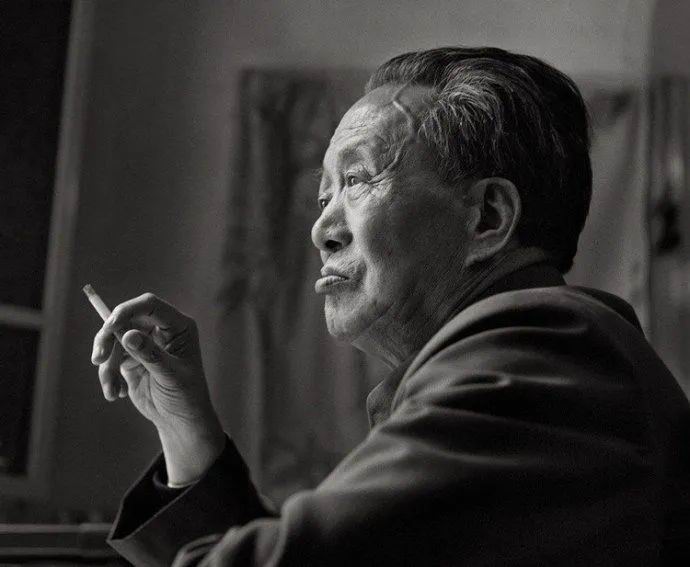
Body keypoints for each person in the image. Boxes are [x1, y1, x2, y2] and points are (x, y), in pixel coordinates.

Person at [91, 47, 690, 566]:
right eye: (323, 197)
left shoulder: (548, 350)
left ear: (488, 218)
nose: (321, 231)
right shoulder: (534, 368)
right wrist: (186, 429)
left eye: (357, 180)